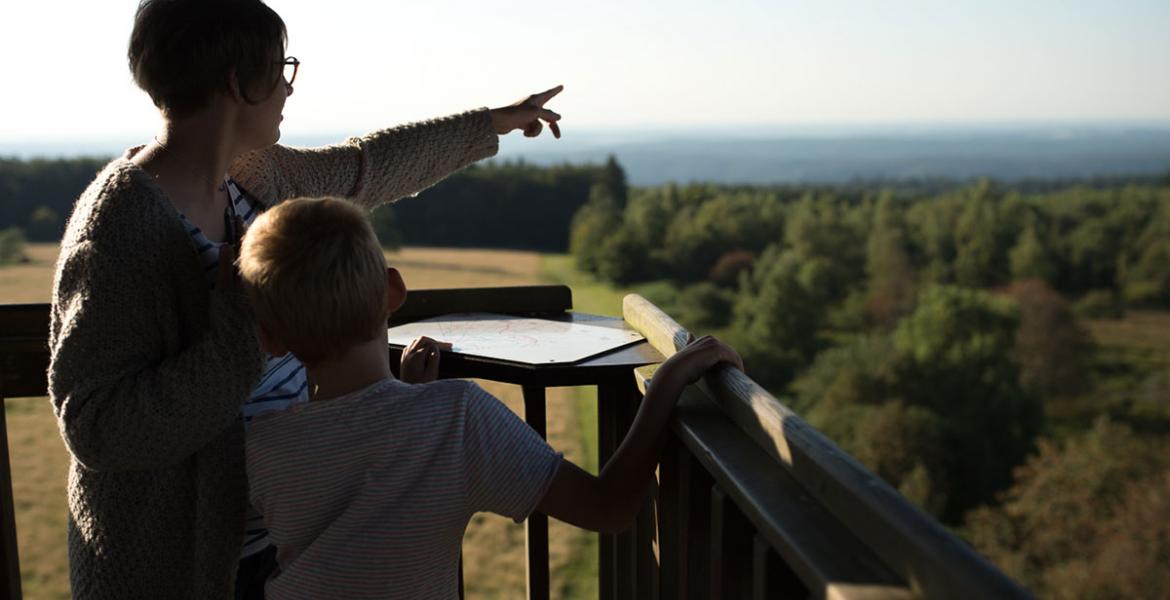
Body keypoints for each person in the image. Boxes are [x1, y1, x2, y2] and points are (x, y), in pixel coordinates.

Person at [46, 0, 563, 597]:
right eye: (281, 68)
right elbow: (97, 428)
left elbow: (368, 167)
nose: (289, 89)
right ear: (239, 82)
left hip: (286, 540)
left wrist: (493, 122)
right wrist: (244, 327)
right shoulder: (119, 225)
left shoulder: (253, 177)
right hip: (181, 567)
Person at [238, 197, 743, 599]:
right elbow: (607, 508)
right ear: (393, 292)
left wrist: (408, 396)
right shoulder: (454, 416)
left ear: (270, 339)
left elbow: (354, 471)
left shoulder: (263, 446)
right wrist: (668, 381)